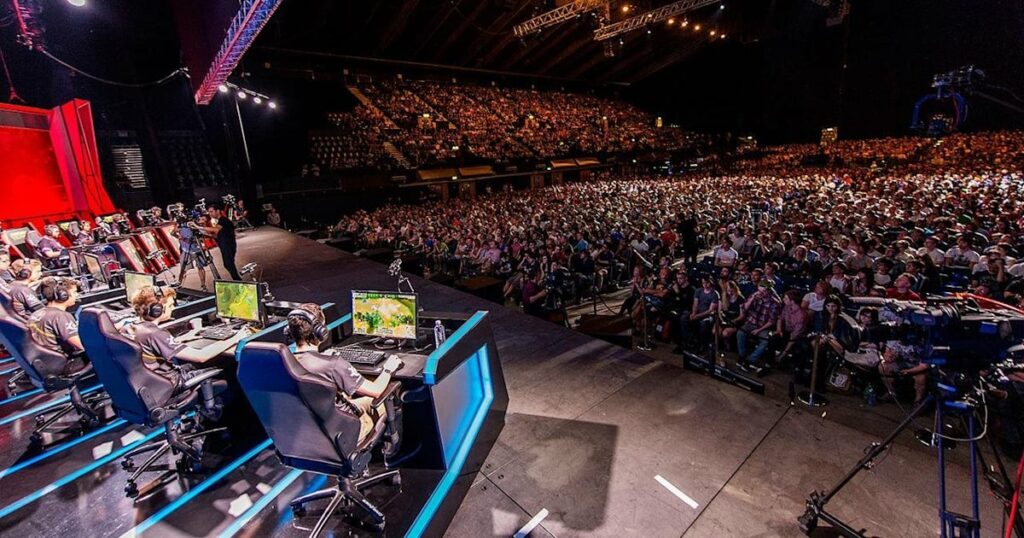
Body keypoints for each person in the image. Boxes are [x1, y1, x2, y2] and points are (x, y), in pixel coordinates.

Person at [288, 304, 402, 442]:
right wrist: (388, 369)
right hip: (344, 433)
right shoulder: (332, 364)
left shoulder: (285, 364)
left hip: (308, 433)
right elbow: (376, 391)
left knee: (358, 399)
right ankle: (393, 447)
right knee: (387, 400)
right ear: (320, 332)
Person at [26, 277, 88, 374]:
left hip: (43, 363)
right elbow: (82, 345)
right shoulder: (60, 316)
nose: (77, 295)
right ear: (63, 295)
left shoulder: (36, 314)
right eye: (75, 292)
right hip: (63, 365)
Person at [735, 279, 782, 374]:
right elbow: (744, 308)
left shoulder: (774, 303)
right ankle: (742, 356)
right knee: (740, 333)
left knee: (765, 341)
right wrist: (752, 298)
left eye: (762, 292)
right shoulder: (754, 296)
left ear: (768, 291)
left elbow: (771, 321)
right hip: (751, 322)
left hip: (763, 326)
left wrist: (758, 330)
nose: (760, 293)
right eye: (759, 290)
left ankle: (750, 360)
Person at [198, 204, 241, 280]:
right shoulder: (220, 221)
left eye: (211, 211)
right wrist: (206, 234)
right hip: (225, 245)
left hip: (228, 245)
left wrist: (199, 227)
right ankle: (237, 280)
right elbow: (217, 235)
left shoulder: (223, 220)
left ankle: (238, 281)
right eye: (209, 212)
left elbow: (216, 230)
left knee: (229, 264)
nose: (210, 214)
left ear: (217, 211)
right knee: (228, 264)